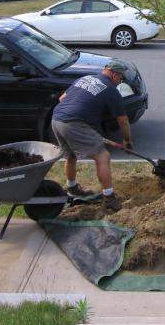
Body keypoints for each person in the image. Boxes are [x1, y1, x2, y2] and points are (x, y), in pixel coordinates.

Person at [51, 59, 133, 211]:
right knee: (103, 156)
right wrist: (127, 140)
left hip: (57, 119)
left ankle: (72, 187)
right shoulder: (111, 89)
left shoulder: (86, 78)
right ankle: (108, 197)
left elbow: (62, 99)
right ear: (114, 74)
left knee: (70, 156)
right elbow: (123, 120)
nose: (120, 81)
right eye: (120, 78)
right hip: (73, 122)